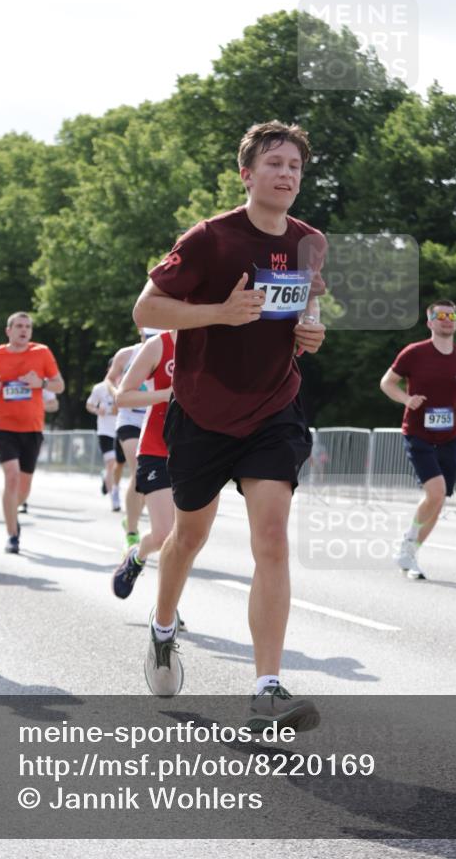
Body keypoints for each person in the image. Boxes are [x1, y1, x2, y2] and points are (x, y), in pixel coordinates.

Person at [133, 119, 326, 731]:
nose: (286, 174)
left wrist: (313, 330)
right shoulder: (210, 239)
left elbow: (309, 306)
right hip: (203, 414)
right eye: (274, 163)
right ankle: (164, 627)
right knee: (186, 538)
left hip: (274, 409)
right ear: (247, 173)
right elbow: (146, 308)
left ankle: (266, 687)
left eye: (295, 165)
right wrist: (220, 312)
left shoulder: (310, 242)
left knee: (271, 536)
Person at [380, 299, 456, 580]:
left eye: (452, 315)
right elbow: (387, 382)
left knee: (438, 501)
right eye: (440, 315)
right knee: (435, 493)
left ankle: (410, 551)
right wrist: (406, 399)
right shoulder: (414, 353)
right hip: (417, 434)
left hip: (450, 437)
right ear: (430, 322)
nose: (447, 319)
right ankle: (407, 543)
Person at [0, 311, 64, 553]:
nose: (24, 330)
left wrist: (40, 384)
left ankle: (12, 512)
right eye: (19, 326)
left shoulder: (41, 352)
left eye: (27, 327)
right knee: (11, 476)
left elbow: (59, 385)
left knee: (23, 488)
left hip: (32, 428)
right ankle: (12, 535)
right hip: (3, 427)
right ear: (8, 330)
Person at [112, 330, 176, 597]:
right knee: (163, 535)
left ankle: (168, 607)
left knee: (186, 540)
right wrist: (165, 395)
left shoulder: (220, 340)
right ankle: (136, 557)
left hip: (199, 454)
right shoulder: (159, 344)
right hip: (157, 448)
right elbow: (122, 396)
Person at [105, 329, 160, 548]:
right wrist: (117, 392)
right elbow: (109, 379)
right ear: (140, 332)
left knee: (149, 476)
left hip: (155, 418)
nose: (151, 340)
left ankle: (132, 518)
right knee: (139, 468)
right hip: (130, 418)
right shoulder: (126, 354)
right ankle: (131, 531)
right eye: (148, 335)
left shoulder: (167, 348)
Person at [86, 362, 122, 512]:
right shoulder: (99, 388)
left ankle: (107, 478)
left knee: (118, 465)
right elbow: (89, 405)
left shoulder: (126, 387)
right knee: (111, 463)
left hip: (121, 430)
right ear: (109, 370)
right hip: (105, 431)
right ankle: (114, 495)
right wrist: (97, 410)